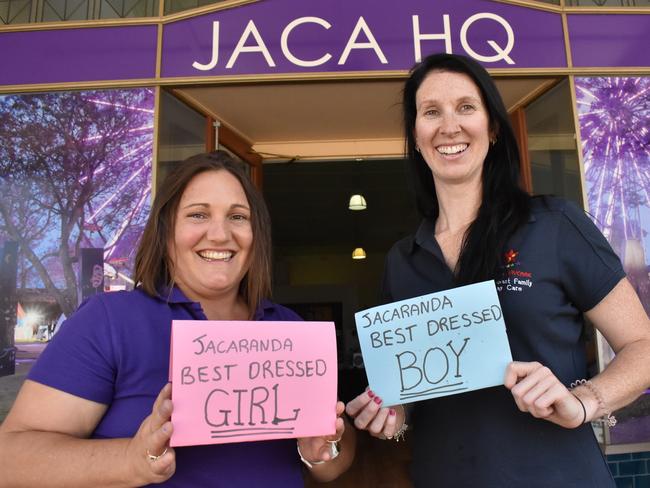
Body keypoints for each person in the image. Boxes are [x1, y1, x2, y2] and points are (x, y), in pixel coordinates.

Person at [345, 53, 650, 487]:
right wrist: (393, 415)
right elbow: (412, 395)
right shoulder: (403, 260)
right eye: (431, 112)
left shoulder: (552, 226)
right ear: (416, 135)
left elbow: (643, 345)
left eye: (466, 107)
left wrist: (583, 401)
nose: (449, 126)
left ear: (491, 127)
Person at [0, 151, 354, 487]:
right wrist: (130, 460)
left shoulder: (290, 329)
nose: (220, 234)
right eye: (198, 214)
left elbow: (332, 463)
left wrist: (323, 451)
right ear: (166, 230)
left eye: (238, 216)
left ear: (255, 236)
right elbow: (10, 460)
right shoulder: (111, 321)